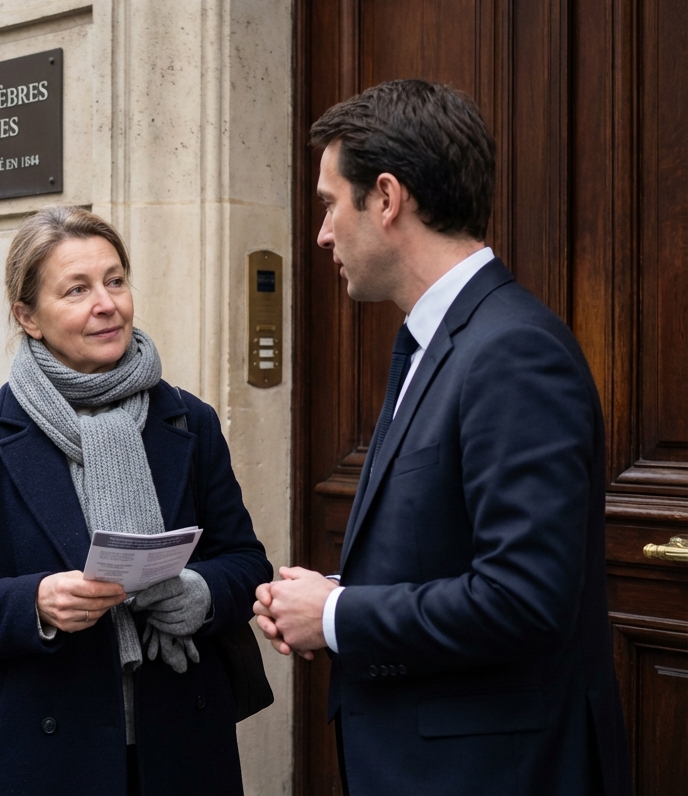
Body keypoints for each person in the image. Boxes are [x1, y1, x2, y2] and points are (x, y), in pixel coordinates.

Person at [253, 80, 629, 795]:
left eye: (331, 204)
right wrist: (335, 592)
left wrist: (335, 616)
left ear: (388, 198)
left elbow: (523, 599)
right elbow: (451, 544)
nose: (322, 233)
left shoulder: (514, 351)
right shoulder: (435, 341)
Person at [0, 206, 272, 796]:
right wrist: (36, 602)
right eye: (76, 289)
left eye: (115, 280)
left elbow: (246, 561)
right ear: (28, 317)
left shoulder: (188, 420)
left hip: (179, 745)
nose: (106, 303)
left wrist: (199, 595)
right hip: (38, 757)